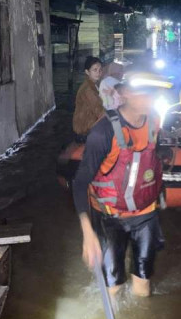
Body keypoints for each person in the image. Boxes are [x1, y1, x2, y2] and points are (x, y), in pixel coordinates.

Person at [74, 72, 172, 297]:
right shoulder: (103, 132)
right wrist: (88, 233)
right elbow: (80, 183)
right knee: (113, 286)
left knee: (143, 286)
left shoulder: (155, 121)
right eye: (142, 93)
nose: (149, 99)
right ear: (124, 94)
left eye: (153, 93)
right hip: (110, 217)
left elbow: (152, 157)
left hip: (146, 213)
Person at [72, 56, 105, 139]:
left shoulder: (92, 84)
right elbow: (100, 111)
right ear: (87, 72)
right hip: (85, 129)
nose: (98, 72)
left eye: (100, 70)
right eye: (95, 70)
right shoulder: (88, 89)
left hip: (86, 125)